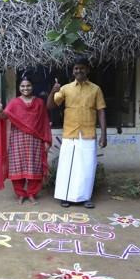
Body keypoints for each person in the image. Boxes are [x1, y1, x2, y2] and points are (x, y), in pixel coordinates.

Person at [47, 57, 107, 209]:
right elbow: (50, 105)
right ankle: (65, 196)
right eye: (76, 68)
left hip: (88, 133)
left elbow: (101, 111)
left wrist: (104, 134)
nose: (78, 70)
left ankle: (85, 197)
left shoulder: (96, 89)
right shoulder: (66, 88)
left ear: (87, 70)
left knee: (87, 166)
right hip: (70, 132)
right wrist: (53, 91)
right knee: (67, 166)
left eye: (81, 68)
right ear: (73, 71)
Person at [0, 76, 52, 205]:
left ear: (32, 87)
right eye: (22, 86)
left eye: (28, 86)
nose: (25, 88)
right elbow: (4, 117)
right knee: (17, 167)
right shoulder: (14, 102)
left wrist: (46, 140)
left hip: (35, 139)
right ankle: (20, 194)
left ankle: (32, 194)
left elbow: (44, 121)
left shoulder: (39, 102)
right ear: (19, 88)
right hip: (18, 139)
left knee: (35, 167)